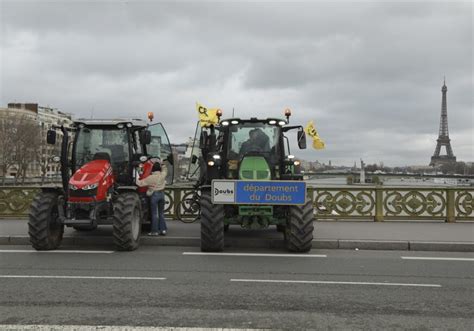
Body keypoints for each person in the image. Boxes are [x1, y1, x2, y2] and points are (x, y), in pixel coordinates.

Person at [136, 155, 172, 236]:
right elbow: (165, 170)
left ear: (152, 169)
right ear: (159, 169)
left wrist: (136, 176)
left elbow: (140, 184)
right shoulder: (162, 175)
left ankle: (154, 231)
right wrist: (162, 163)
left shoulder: (150, 177)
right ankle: (163, 230)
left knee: (154, 214)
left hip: (154, 196)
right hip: (162, 195)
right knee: (161, 213)